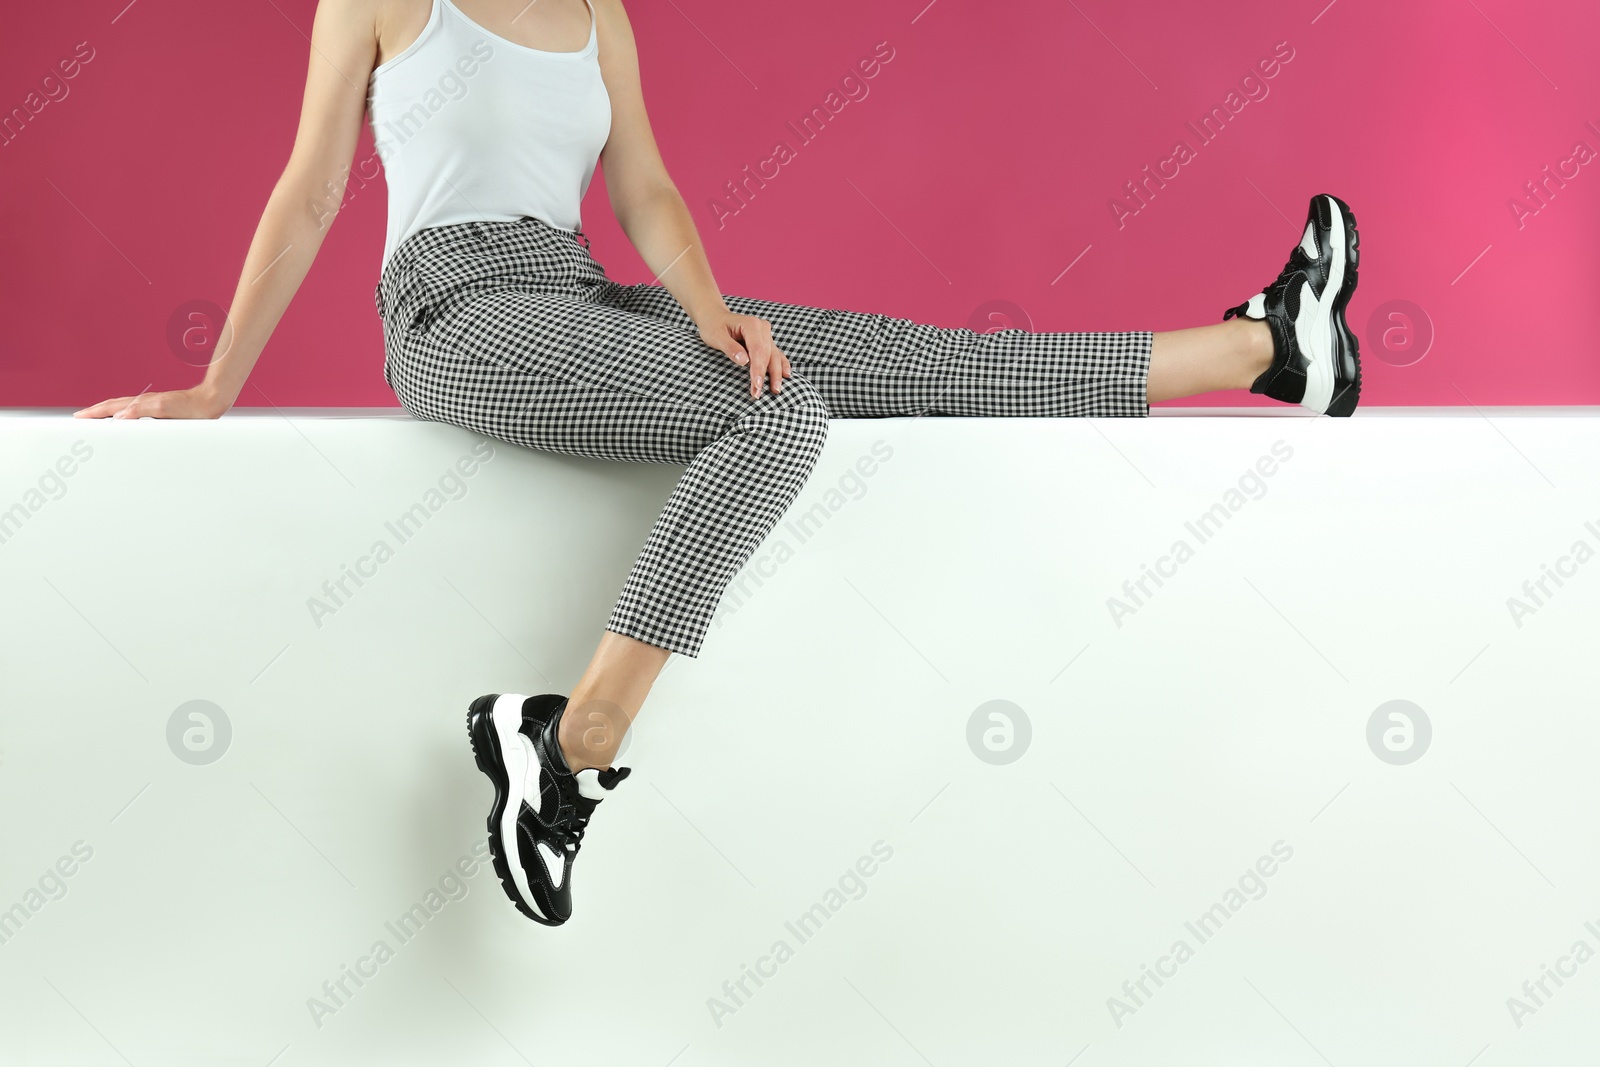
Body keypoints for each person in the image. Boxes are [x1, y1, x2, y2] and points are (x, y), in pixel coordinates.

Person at [74, 0, 1362, 926]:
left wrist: (713, 316)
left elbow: (645, 191)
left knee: (878, 363)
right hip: (459, 318)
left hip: (583, 300)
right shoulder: (381, 1)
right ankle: (572, 745)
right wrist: (214, 387)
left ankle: (1261, 352)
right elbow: (309, 191)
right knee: (788, 415)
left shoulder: (599, 16)